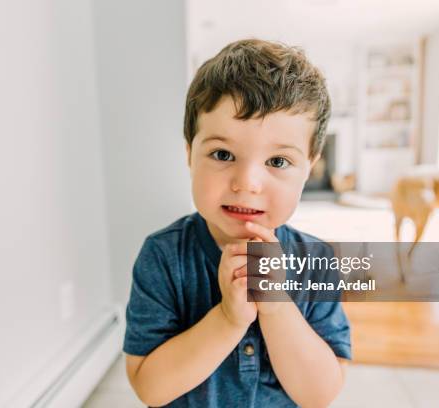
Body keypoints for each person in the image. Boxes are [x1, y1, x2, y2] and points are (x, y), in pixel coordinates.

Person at [123, 39, 351, 407]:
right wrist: (228, 318)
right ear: (189, 154)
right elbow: (149, 387)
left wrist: (275, 306)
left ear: (310, 167)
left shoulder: (316, 261)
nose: (247, 183)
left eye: (277, 162)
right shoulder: (163, 257)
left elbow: (319, 394)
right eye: (223, 154)